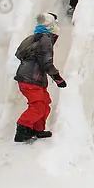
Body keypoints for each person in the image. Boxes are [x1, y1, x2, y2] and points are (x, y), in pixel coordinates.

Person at [14, 12, 67, 142]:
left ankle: (38, 129)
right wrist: (58, 78)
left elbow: (19, 54)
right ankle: (23, 129)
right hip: (31, 79)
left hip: (32, 79)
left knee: (44, 103)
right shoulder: (45, 40)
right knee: (38, 105)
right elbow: (47, 63)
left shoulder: (35, 38)